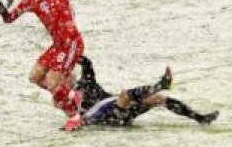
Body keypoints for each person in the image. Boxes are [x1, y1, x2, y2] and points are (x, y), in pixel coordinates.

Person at [0, 0, 129, 130]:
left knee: (52, 81)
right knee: (34, 77)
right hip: (57, 46)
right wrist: (2, 11)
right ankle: (71, 94)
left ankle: (75, 114)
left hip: (71, 42)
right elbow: (10, 18)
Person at [73, 55, 219, 130]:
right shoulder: (67, 94)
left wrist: (63, 51)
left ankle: (200, 118)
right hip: (106, 119)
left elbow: (86, 62)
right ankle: (162, 84)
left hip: (119, 110)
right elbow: (76, 115)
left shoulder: (87, 80)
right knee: (125, 95)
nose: (69, 74)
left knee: (158, 99)